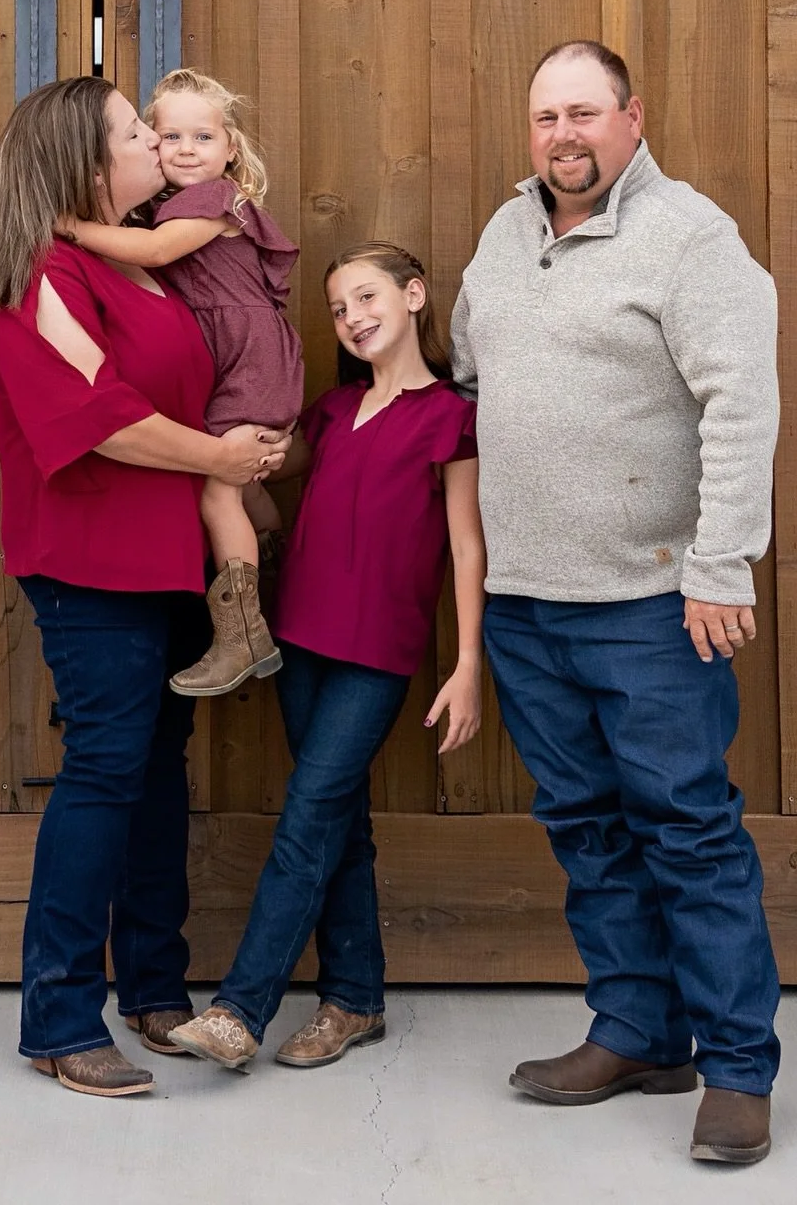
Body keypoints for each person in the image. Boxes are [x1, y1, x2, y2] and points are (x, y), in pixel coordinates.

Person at [451, 41, 782, 1166]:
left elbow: (742, 405)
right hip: (526, 603)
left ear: (632, 118)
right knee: (588, 831)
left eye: (583, 113)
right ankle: (639, 1030)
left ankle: (737, 1069)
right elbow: (474, 377)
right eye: (545, 117)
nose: (562, 137)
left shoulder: (692, 238)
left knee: (688, 833)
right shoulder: (506, 236)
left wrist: (721, 564)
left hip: (650, 602)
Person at [0, 76, 290, 1099]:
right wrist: (222, 461)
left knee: (152, 776)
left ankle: (151, 988)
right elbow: (98, 416)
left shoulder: (151, 267)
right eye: (135, 132)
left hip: (163, 563)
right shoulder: (38, 271)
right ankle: (59, 1018)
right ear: (87, 164)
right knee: (107, 771)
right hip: (87, 563)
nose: (156, 142)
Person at [168, 243, 485, 1072]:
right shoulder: (330, 412)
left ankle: (241, 1010)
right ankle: (354, 999)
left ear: (415, 295)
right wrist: (215, 454)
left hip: (377, 654)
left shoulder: (452, 416)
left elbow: (467, 547)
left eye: (368, 297)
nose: (352, 319)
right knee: (337, 819)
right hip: (297, 638)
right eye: (339, 309)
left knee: (309, 816)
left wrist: (467, 666)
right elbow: (259, 481)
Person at [61, 68, 303, 696]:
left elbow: (159, 252)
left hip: (250, 359)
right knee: (239, 487)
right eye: (170, 137)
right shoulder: (174, 204)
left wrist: (72, 230)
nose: (187, 150)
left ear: (230, 149)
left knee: (216, 493)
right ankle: (269, 552)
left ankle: (244, 636)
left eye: (203, 136)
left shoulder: (214, 200)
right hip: (244, 359)